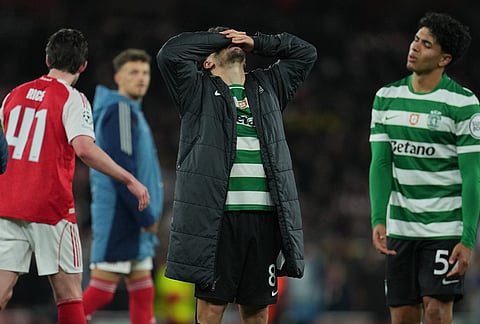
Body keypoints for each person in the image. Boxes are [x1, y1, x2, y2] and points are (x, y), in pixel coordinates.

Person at [157, 27, 317, 323]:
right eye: (222, 42)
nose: (232, 41)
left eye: (234, 38)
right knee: (211, 311)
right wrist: (221, 38)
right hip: (218, 220)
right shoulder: (196, 91)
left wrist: (258, 42)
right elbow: (171, 53)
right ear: (207, 62)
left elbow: (305, 52)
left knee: (257, 313)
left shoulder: (268, 85)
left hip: (264, 218)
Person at [0, 28, 150, 324]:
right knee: (69, 295)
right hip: (50, 208)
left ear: (47, 59)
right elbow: (84, 148)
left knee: (2, 292)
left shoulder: (13, 96)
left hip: (7, 204)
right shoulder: (73, 99)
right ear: (83, 66)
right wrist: (129, 178)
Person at [369, 12, 480, 324]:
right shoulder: (386, 98)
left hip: (444, 228)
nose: (414, 47)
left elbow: (473, 176)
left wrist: (468, 238)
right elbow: (380, 163)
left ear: (444, 58)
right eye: (416, 39)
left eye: (426, 44)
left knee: (435, 311)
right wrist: (379, 218)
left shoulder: (463, 104)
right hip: (401, 228)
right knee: (403, 316)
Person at [82, 49, 163, 324]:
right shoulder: (120, 111)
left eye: (145, 72)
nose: (141, 78)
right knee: (101, 293)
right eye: (133, 72)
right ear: (118, 77)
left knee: (143, 293)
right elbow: (122, 170)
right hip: (124, 216)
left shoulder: (131, 112)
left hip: (134, 217)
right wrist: (146, 217)